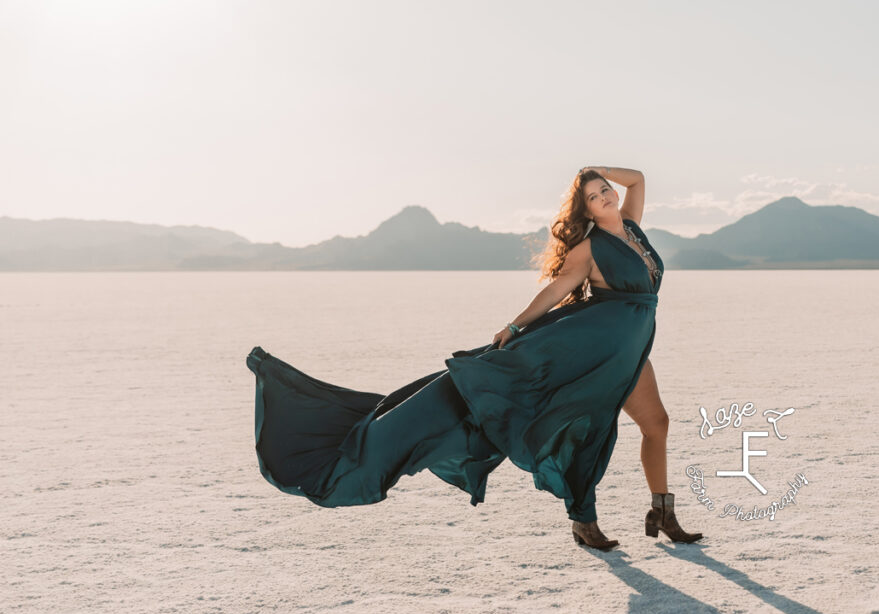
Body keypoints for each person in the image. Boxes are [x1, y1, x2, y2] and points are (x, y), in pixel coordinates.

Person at [245, 165, 702, 551]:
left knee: (655, 424)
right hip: (590, 349)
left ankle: (661, 512)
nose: (604, 196)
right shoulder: (588, 249)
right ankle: (584, 520)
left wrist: (594, 166)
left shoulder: (632, 226)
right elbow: (556, 290)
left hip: (629, 350)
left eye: (605, 190)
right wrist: (517, 327)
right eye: (594, 196)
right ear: (584, 210)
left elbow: (638, 179)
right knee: (586, 431)